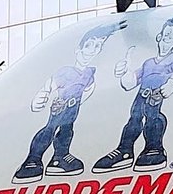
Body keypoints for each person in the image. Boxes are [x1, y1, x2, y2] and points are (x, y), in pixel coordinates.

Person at [95, 13, 173, 171]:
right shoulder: (148, 63)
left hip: (156, 95)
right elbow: (129, 84)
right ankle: (124, 150)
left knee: (153, 119)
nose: (170, 37)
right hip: (141, 95)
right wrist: (125, 70)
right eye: (167, 33)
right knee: (134, 120)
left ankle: (154, 149)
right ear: (159, 36)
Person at [16, 25, 117, 179]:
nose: (92, 50)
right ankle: (33, 160)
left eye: (97, 46)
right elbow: (49, 86)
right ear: (78, 50)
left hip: (73, 108)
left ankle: (60, 157)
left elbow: (88, 89)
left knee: (67, 130)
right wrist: (41, 97)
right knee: (49, 129)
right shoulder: (66, 72)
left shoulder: (89, 73)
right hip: (61, 105)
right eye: (89, 45)